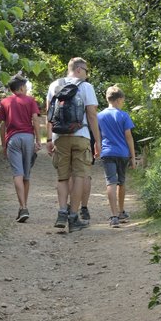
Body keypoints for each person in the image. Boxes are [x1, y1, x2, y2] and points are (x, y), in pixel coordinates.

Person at [46, 57, 100, 231]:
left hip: (59, 136)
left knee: (62, 176)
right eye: (86, 70)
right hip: (81, 135)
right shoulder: (86, 87)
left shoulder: (54, 85)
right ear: (78, 69)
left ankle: (62, 212)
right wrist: (97, 141)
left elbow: (49, 114)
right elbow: (92, 115)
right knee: (79, 176)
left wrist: (49, 138)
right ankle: (73, 216)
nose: (87, 74)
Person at [0, 74, 42, 222]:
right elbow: (35, 119)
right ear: (22, 87)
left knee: (17, 174)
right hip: (28, 138)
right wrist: (38, 140)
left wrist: (3, 145)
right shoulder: (30, 100)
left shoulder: (4, 102)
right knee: (26, 176)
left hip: (13, 139)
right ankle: (24, 206)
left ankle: (23, 207)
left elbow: (2, 125)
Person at [97, 85, 136, 227]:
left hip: (107, 152)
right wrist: (133, 157)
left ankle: (113, 216)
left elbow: (97, 136)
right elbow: (129, 137)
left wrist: (96, 149)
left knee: (110, 182)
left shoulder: (99, 116)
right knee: (121, 182)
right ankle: (121, 211)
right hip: (122, 153)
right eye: (123, 100)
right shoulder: (123, 115)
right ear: (119, 100)